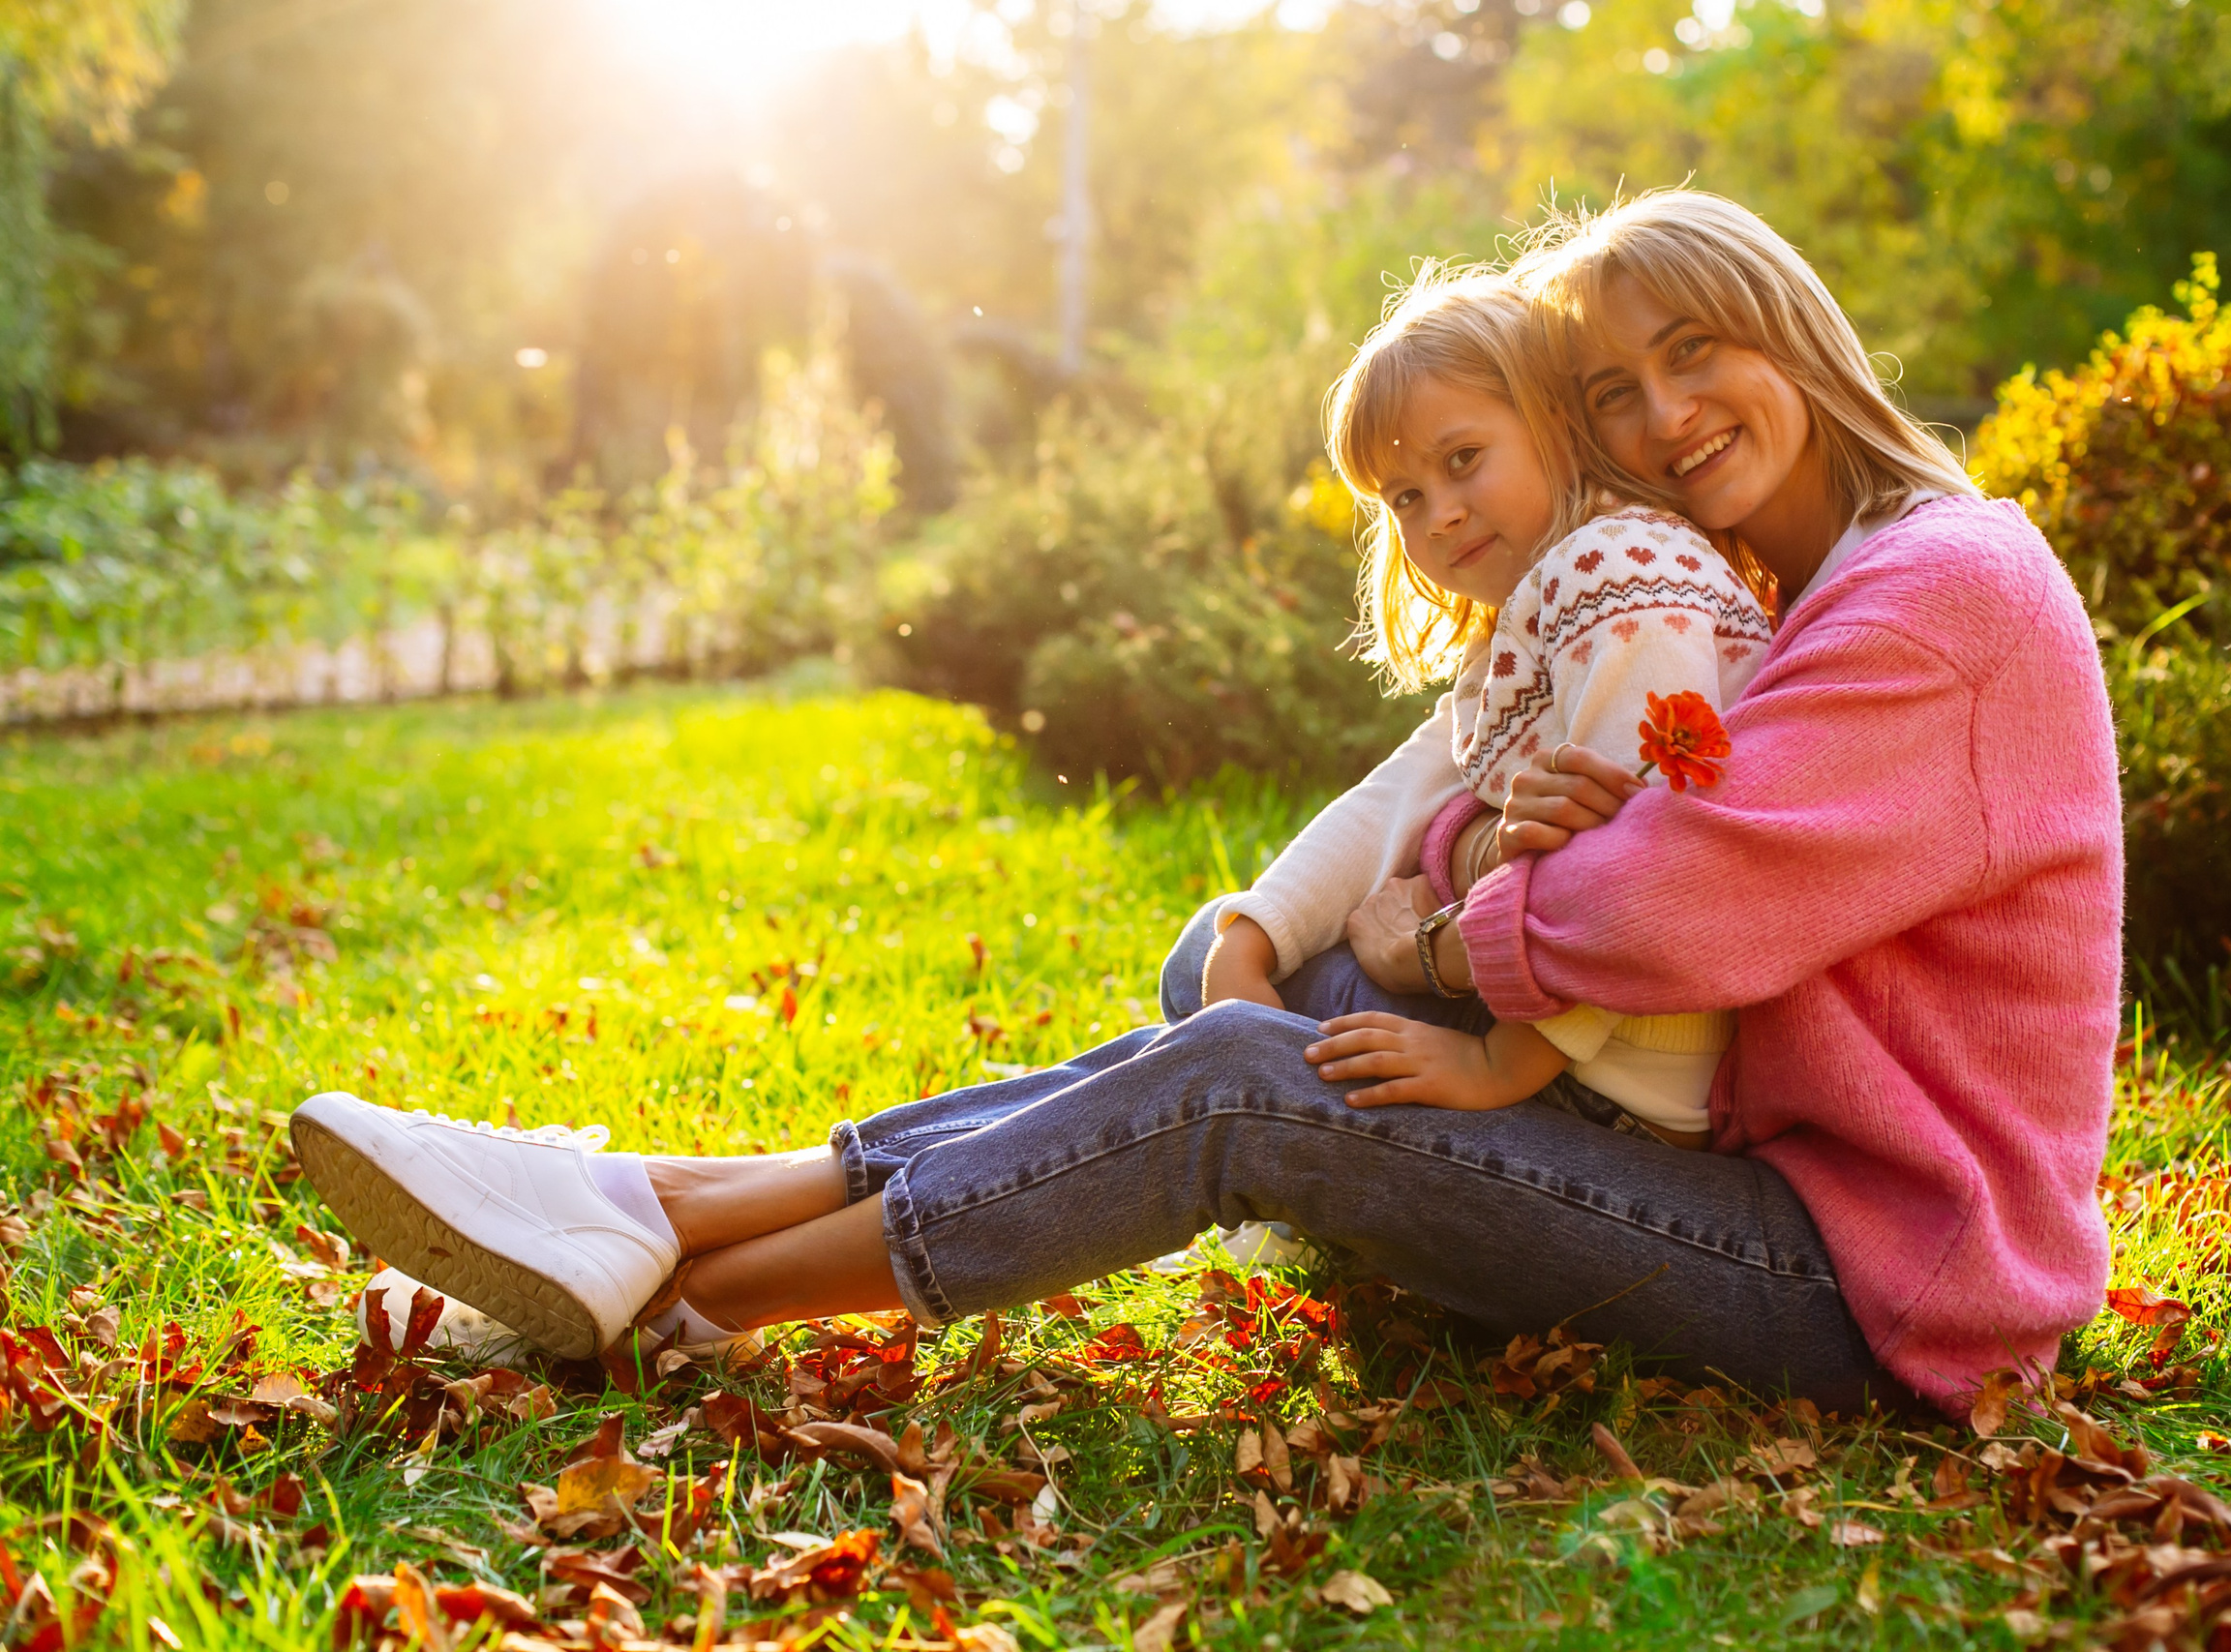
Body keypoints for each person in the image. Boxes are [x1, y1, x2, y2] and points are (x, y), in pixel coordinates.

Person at [289, 187, 2119, 1419]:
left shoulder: (1939, 595)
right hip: (1701, 1141)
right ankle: (647, 1209)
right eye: (1622, 389)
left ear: (1794, 331)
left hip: (1869, 1277)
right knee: (1224, 981)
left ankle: (677, 1270)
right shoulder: (1778, 587)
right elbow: (1490, 797)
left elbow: (1664, 912)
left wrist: (1434, 922)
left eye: (1699, 355)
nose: (1667, 416)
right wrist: (1334, 907)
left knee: (1247, 1079)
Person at [1202, 264, 1771, 1142]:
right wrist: (1254, 937)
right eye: (1405, 498)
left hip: (1623, 1078)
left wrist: (1494, 1064)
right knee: (1225, 951)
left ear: (1553, 421)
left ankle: (1276, 1162)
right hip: (1589, 1049)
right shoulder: (1549, 596)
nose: (1440, 517)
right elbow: (1403, 789)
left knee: (1233, 1001)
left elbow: (1638, 872)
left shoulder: (1616, 575)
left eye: (1463, 461)